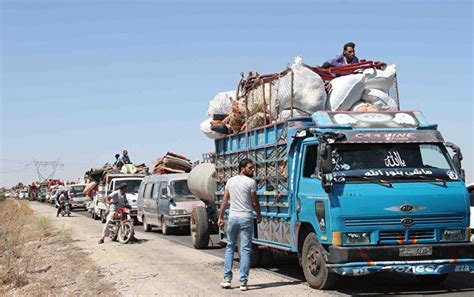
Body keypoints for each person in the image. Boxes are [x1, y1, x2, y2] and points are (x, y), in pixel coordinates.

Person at [218, 159, 262, 291]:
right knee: (245, 250)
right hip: (246, 218)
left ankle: (227, 279)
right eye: (250, 168)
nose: (252, 170)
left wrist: (220, 217)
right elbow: (254, 202)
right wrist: (258, 215)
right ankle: (243, 282)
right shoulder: (251, 183)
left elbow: (225, 200)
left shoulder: (230, 181)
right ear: (242, 168)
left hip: (233, 218)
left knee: (230, 247)